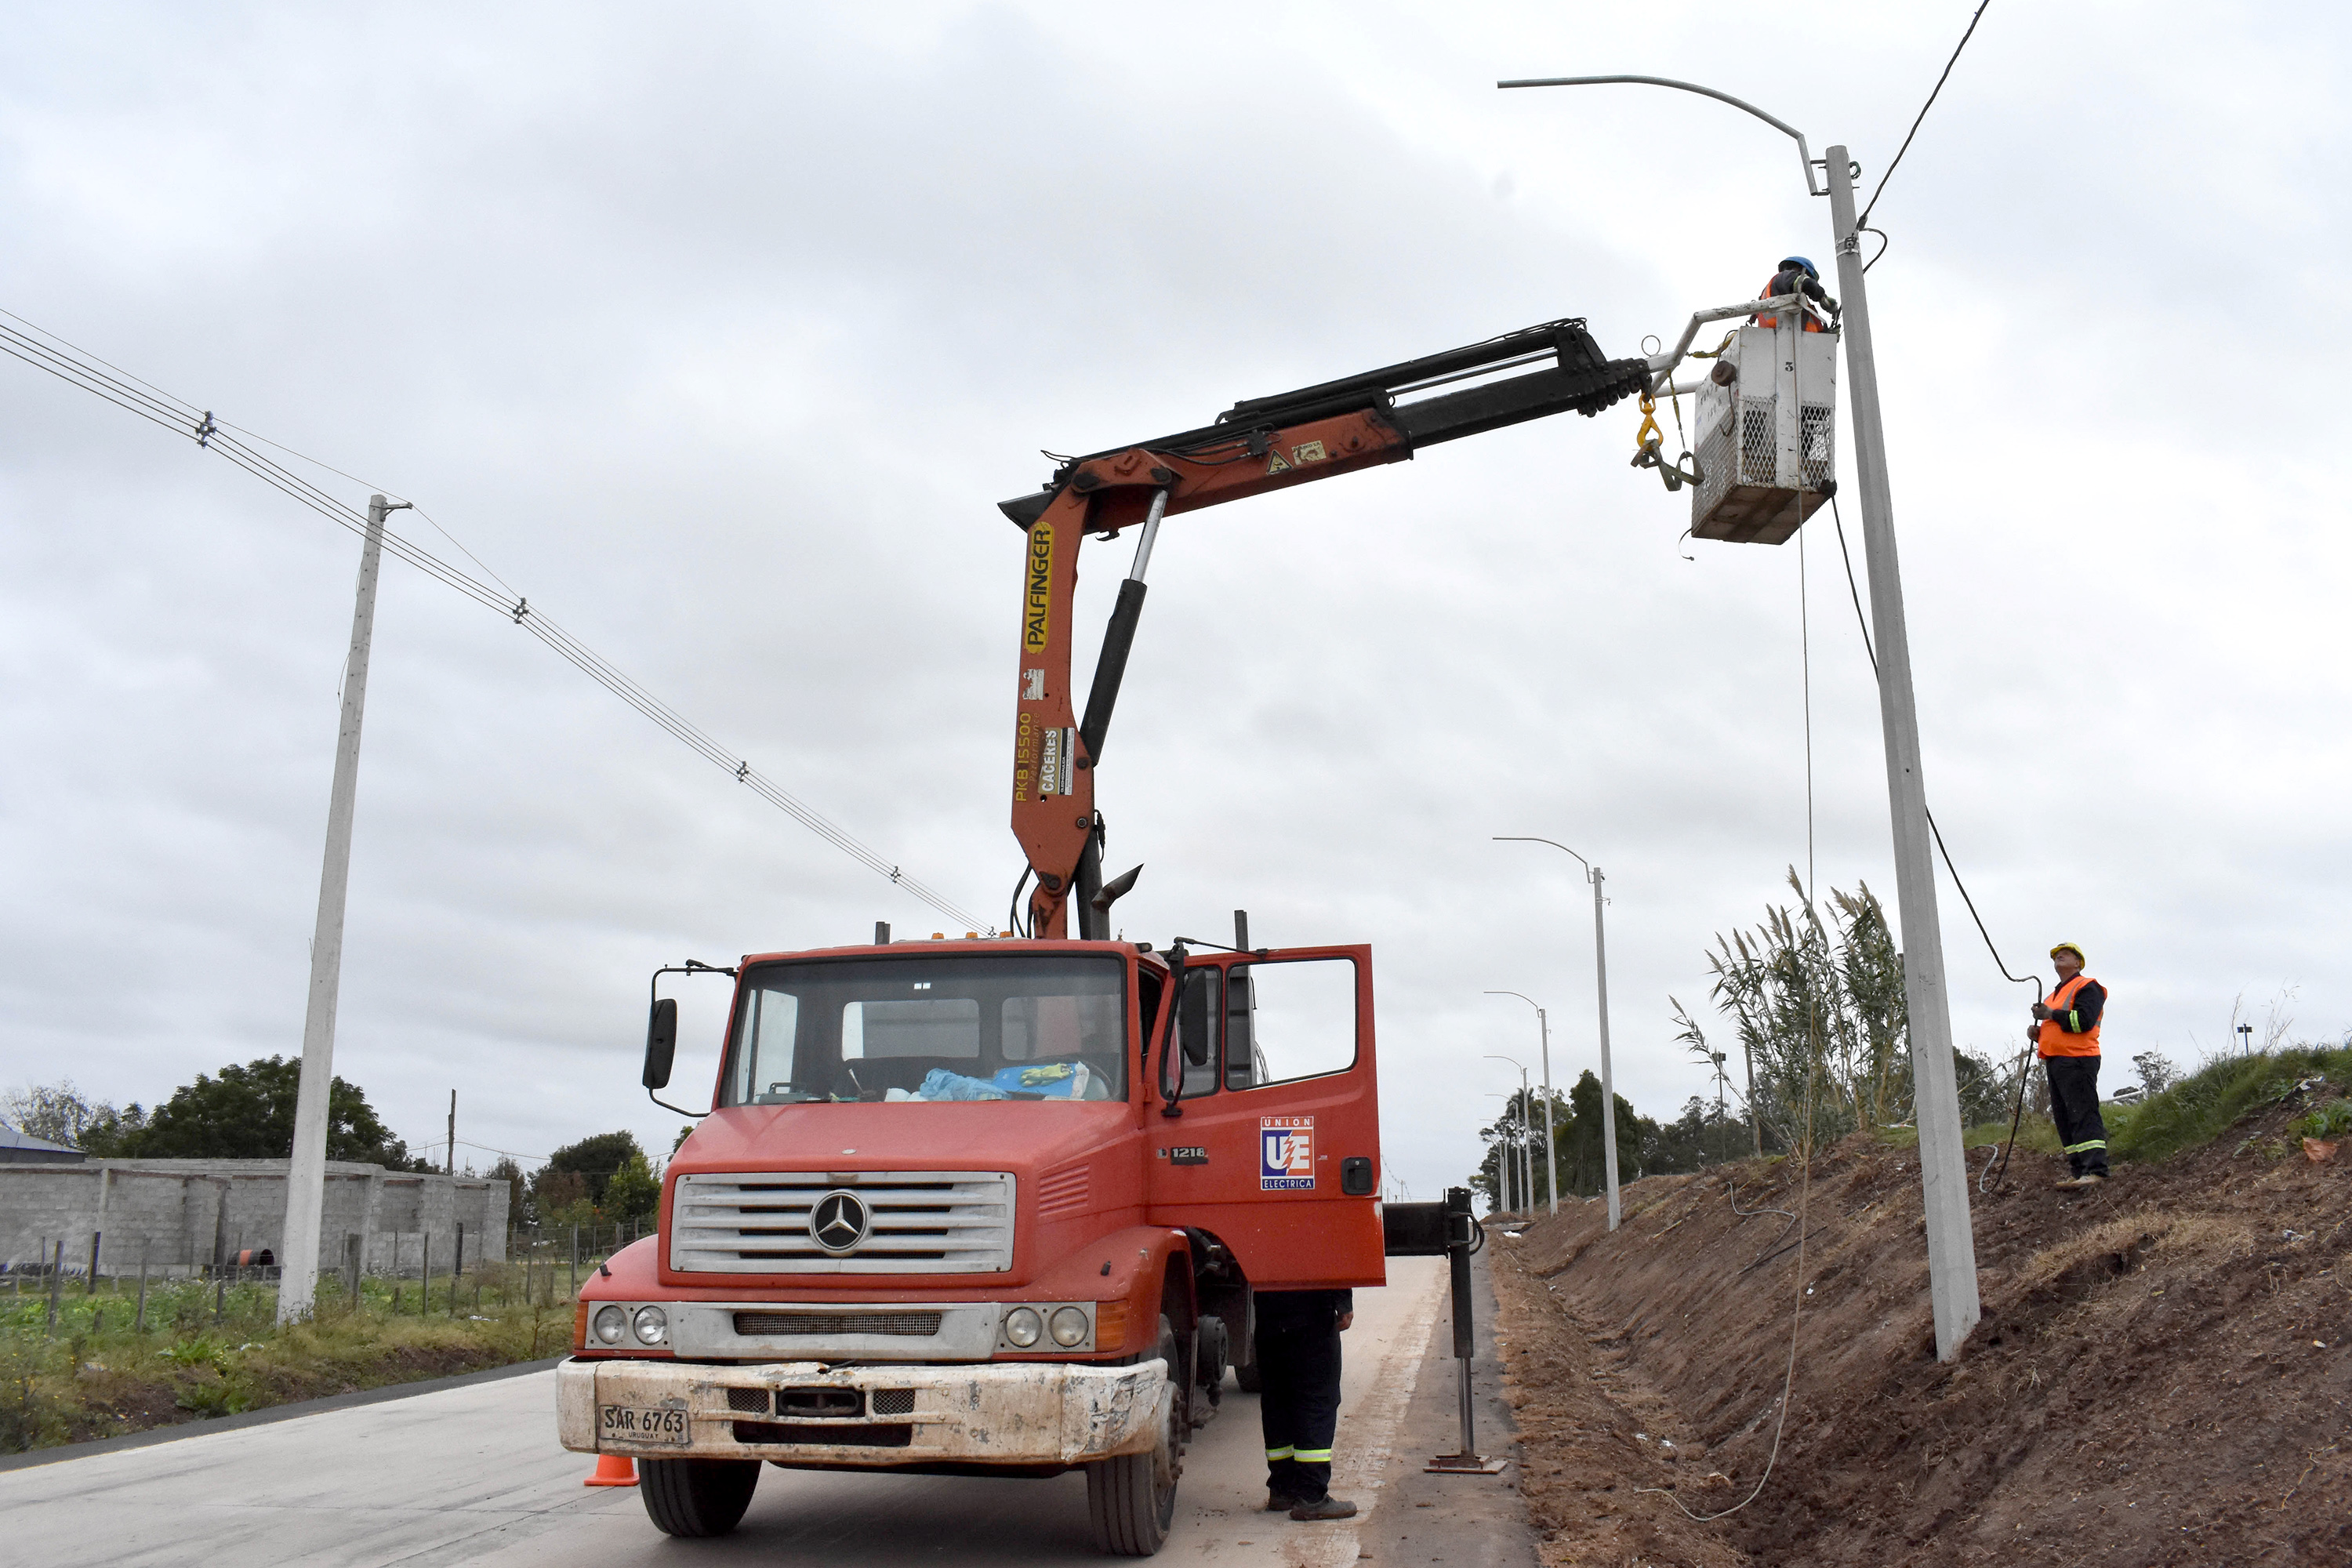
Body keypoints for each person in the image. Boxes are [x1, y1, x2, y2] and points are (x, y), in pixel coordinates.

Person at [1254, 1287, 1356, 1521]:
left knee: (1277, 1397)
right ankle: (1312, 1497)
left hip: (1268, 1305)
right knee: (1318, 1398)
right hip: (1312, 1302)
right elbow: (1333, 1250)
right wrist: (1343, 1299)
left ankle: (1282, 1488)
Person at [2031, 942, 2111, 1189]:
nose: (2058, 956)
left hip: (2078, 1059)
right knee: (2065, 1117)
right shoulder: (2052, 997)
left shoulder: (2088, 987)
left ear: (2078, 963)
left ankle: (2096, 1169)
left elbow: (2083, 1021)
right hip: (2056, 1061)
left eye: (2065, 954)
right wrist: (2039, 1034)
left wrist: (2050, 1016)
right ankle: (2079, 1171)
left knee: (2083, 1113)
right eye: (2055, 955)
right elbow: (2059, 1026)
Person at [1754, 255, 1838, 332]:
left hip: (1790, 341)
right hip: (1784, 336)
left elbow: (1808, 329)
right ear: (1801, 270)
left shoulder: (1796, 301)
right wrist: (1823, 298)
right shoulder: (1785, 276)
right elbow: (1807, 283)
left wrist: (1828, 335)